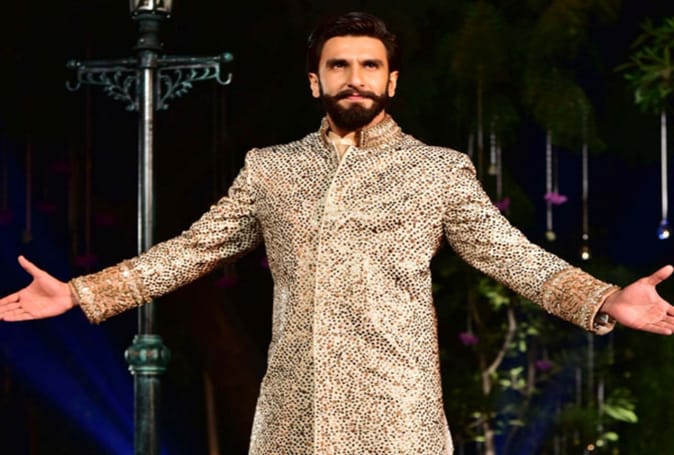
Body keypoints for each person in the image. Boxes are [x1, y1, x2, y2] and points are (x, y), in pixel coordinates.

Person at [1, 11, 673, 455]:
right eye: (340, 66)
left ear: (392, 80)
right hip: (293, 417)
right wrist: (81, 293)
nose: (355, 79)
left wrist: (605, 298)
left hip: (398, 417)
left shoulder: (437, 171)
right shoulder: (271, 169)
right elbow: (193, 249)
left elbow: (513, 257)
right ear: (315, 80)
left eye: (370, 66)